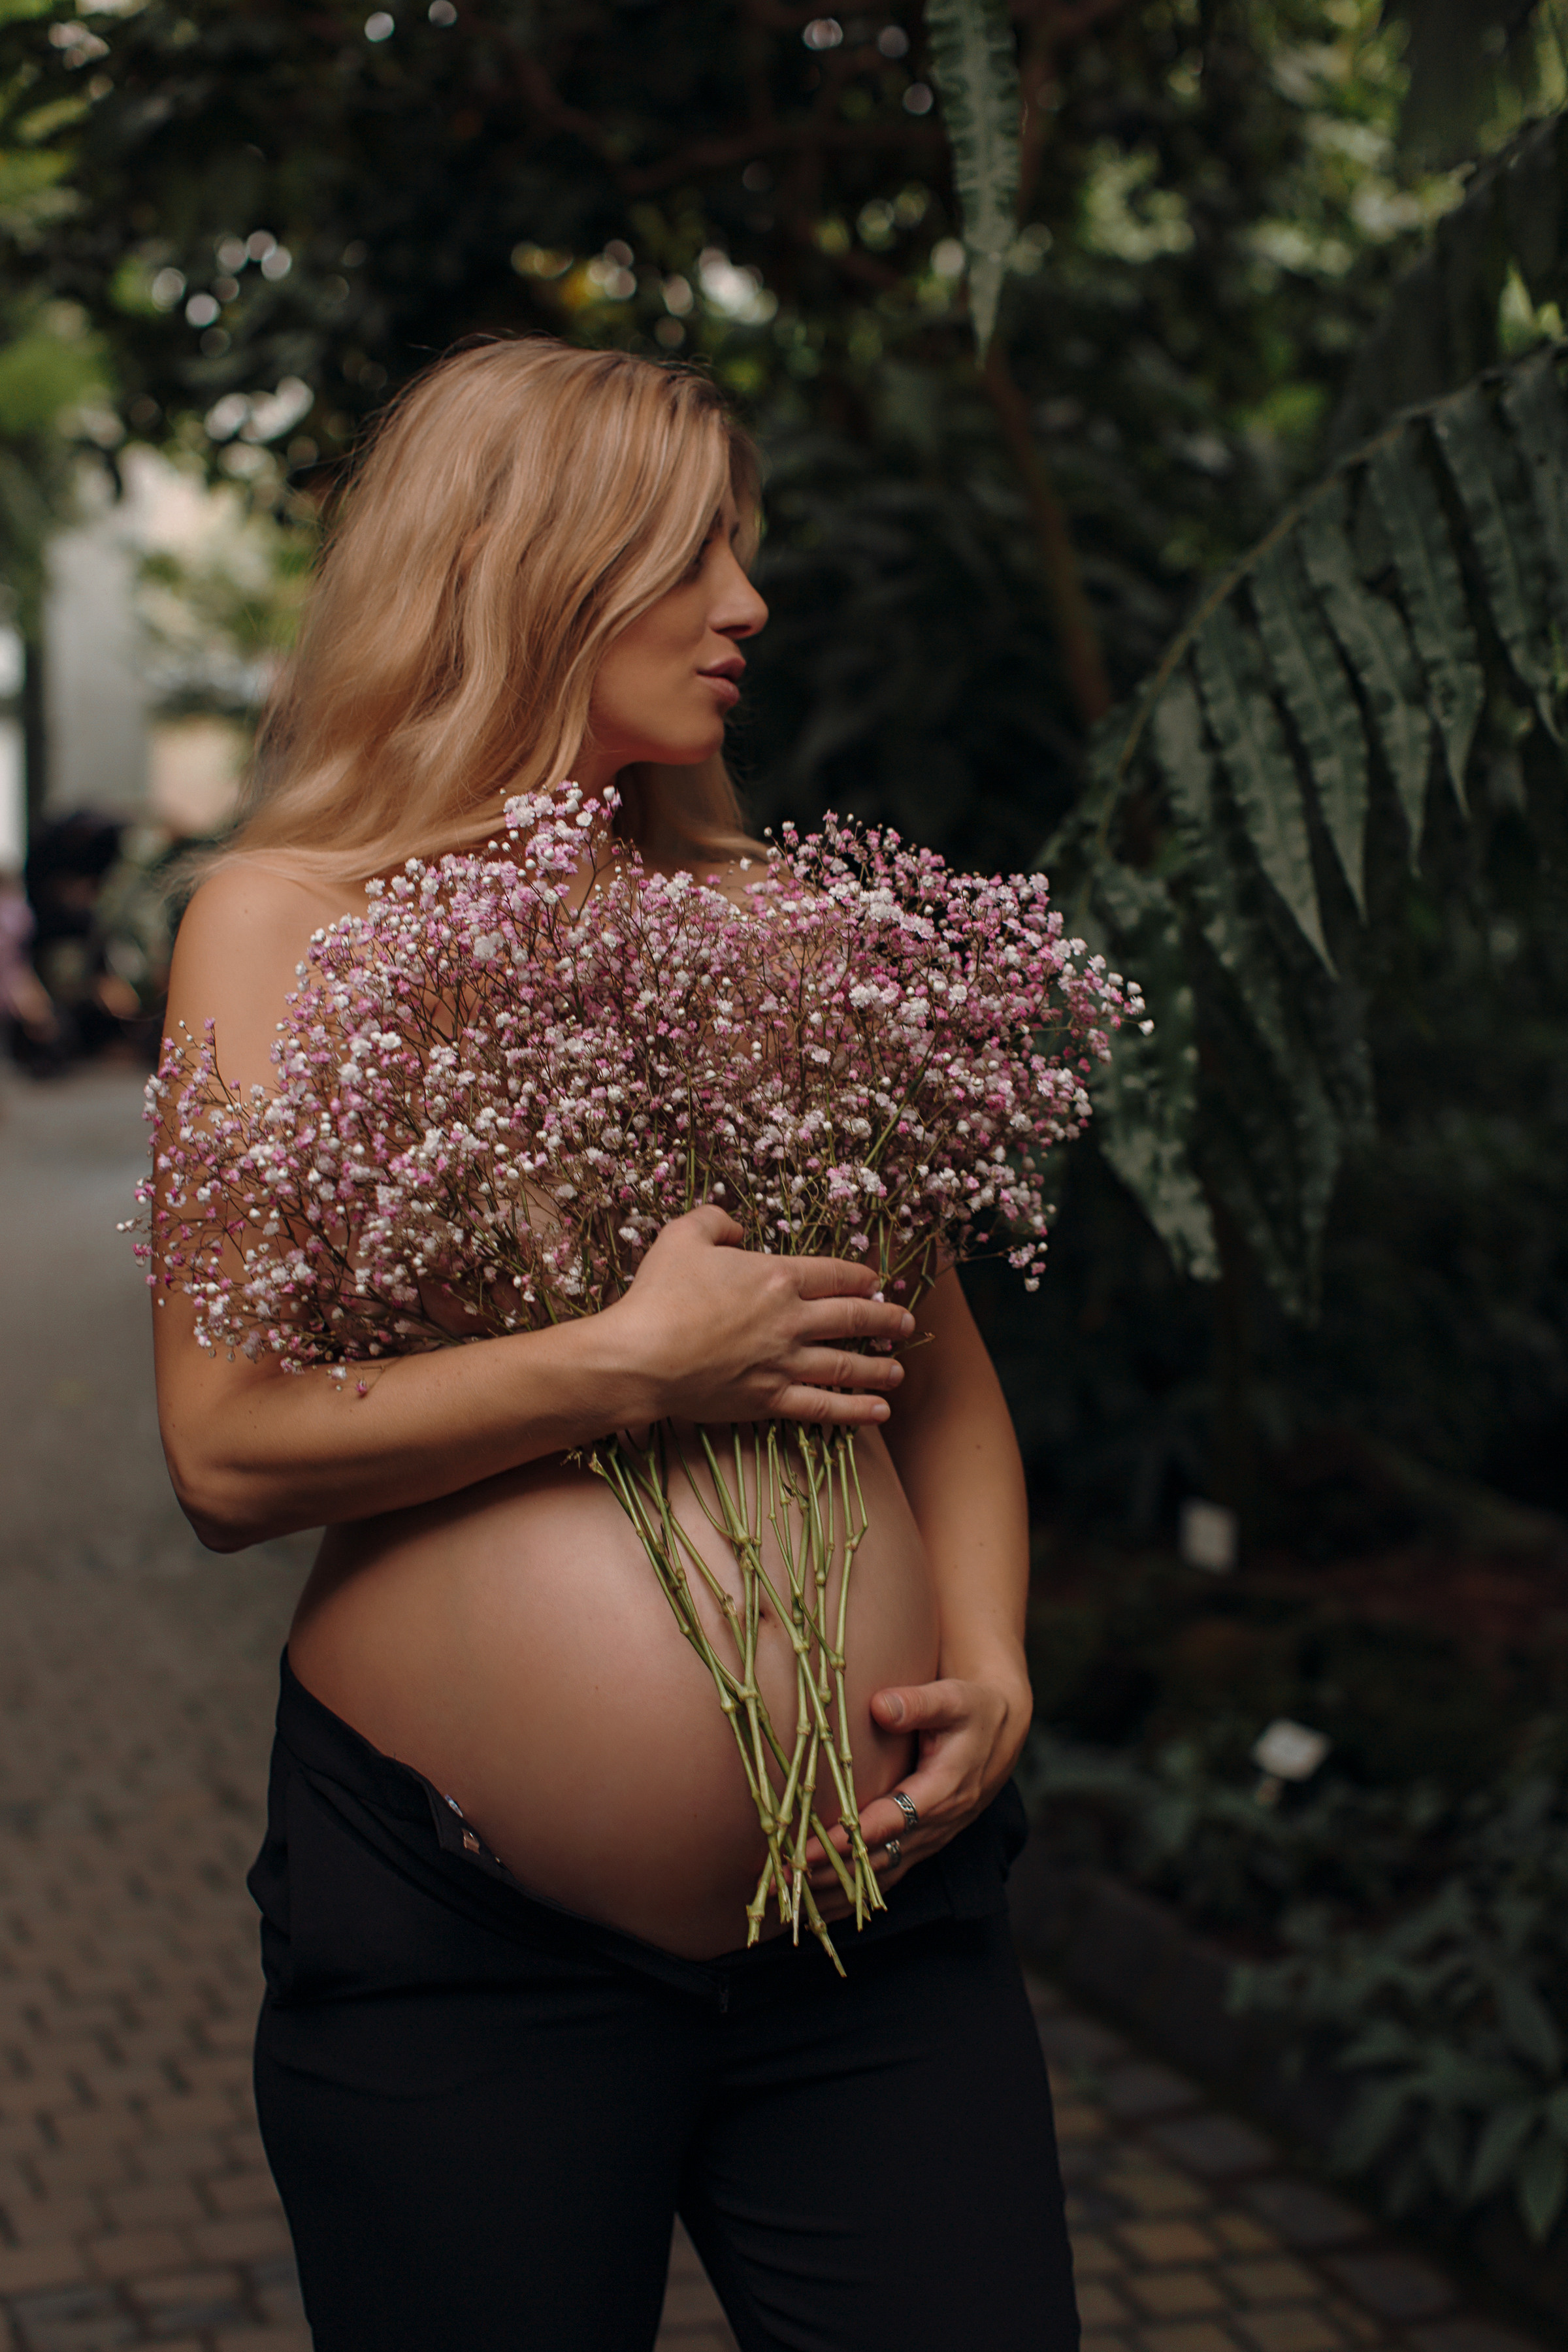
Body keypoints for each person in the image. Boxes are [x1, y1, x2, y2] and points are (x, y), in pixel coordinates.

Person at [151, 339, 1079, 2352]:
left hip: (880, 1926)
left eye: (742, 548)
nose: (748, 601)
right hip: (470, 1948)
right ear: (515, 564)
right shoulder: (284, 921)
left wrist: (994, 1664)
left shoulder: (779, 922)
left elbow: (946, 1390)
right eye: (689, 551)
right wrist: (630, 1364)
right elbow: (225, 1454)